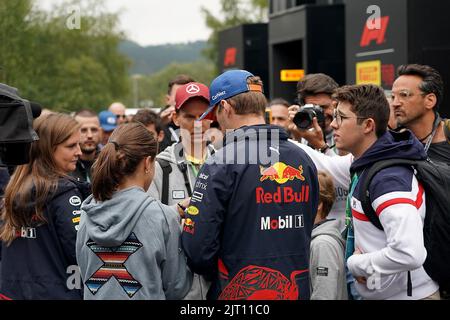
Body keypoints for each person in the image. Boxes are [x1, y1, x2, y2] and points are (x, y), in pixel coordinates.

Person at [182, 70, 319, 300]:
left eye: (216, 113)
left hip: (238, 292)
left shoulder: (221, 161)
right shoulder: (303, 159)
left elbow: (198, 251)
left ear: (225, 107)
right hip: (296, 291)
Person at [331, 84, 439, 300]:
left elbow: (409, 253)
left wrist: (357, 264)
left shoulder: (388, 179)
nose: (333, 124)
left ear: (368, 125)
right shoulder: (371, 164)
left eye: (341, 117)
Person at [76, 122, 192, 300]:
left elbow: (84, 270)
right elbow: (176, 286)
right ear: (147, 163)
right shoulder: (163, 217)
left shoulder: (88, 209)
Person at [0, 113, 89, 300]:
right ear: (48, 149)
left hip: (10, 292)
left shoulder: (13, 190)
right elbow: (81, 253)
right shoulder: (65, 195)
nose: (79, 152)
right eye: (71, 146)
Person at [148, 82, 213, 300]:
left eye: (202, 116)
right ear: (175, 119)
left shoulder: (227, 164)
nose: (197, 124)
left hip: (220, 287)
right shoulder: (159, 167)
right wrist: (176, 213)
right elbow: (147, 228)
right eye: (189, 117)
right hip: (177, 289)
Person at [391, 64, 450, 164]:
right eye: (393, 97)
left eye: (404, 95)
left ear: (430, 101)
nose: (395, 103)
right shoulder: (391, 141)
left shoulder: (447, 132)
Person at [310, 171, 347, 300]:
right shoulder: (318, 240)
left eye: (303, 196)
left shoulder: (322, 244)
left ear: (319, 204)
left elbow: (323, 295)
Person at [289, 73, 340, 156]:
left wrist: (321, 146)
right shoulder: (302, 132)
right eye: (313, 108)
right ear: (302, 107)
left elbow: (342, 168)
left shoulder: (347, 133)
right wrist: (297, 139)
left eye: (323, 107)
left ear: (336, 104)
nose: (320, 114)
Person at [158, 74, 196, 152]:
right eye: (179, 97)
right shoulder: (157, 124)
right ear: (167, 99)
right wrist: (158, 124)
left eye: (190, 98)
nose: (184, 103)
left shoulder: (204, 123)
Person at [72, 109, 102, 183]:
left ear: (100, 131)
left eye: (94, 130)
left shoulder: (109, 163)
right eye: (83, 130)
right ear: (73, 132)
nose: (89, 135)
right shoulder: (65, 166)